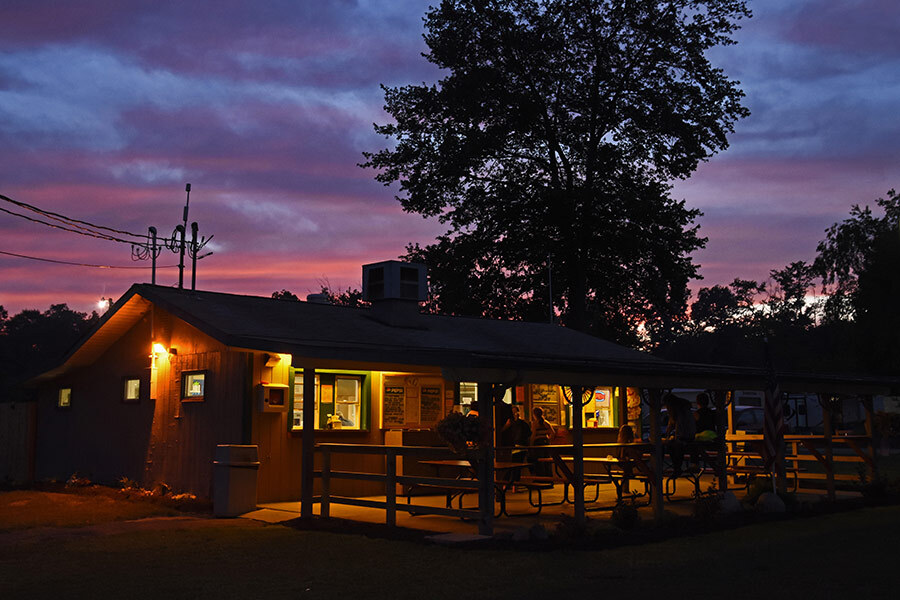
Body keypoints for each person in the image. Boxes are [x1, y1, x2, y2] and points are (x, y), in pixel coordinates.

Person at [664, 393, 696, 476]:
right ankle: (677, 468)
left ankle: (677, 468)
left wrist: (672, 437)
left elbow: (679, 428)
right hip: (688, 437)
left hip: (686, 438)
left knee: (674, 447)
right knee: (673, 446)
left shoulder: (680, 412)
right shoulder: (682, 410)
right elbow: (671, 425)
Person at [529, 406, 555, 476]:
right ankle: (549, 478)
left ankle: (541, 479)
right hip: (546, 442)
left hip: (538, 443)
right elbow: (553, 432)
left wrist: (531, 445)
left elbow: (533, 435)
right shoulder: (546, 423)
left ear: (534, 414)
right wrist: (548, 439)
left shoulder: (534, 424)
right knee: (547, 461)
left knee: (539, 461)